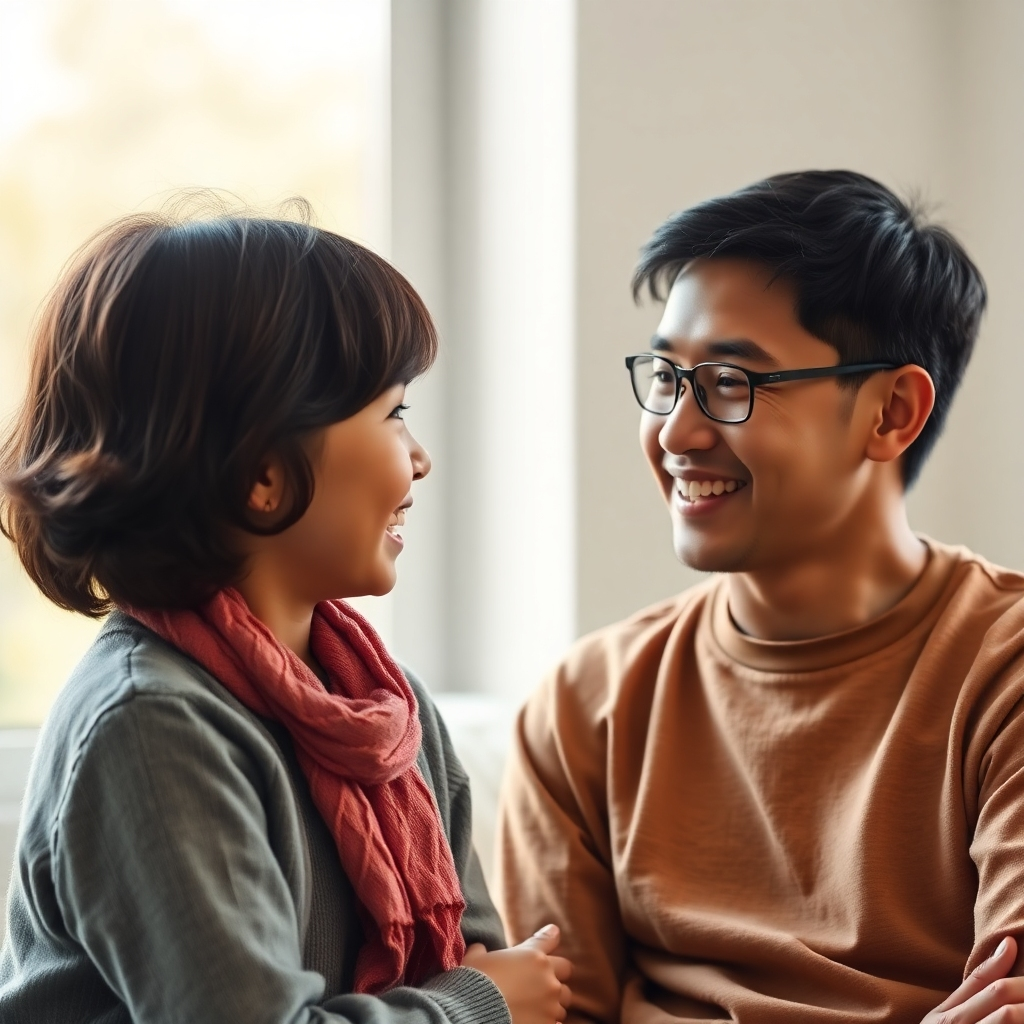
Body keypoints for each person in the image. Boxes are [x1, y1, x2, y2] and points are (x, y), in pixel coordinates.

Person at [0, 210, 572, 1024]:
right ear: (262, 475)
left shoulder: (386, 707)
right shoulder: (153, 727)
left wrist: (482, 994)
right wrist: (472, 1008)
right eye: (394, 413)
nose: (419, 458)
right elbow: (485, 989)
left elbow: (477, 957)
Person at [496, 170, 1024, 1024]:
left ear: (892, 411)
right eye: (666, 377)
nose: (676, 432)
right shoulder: (585, 706)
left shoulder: (1003, 672)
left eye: (732, 384)